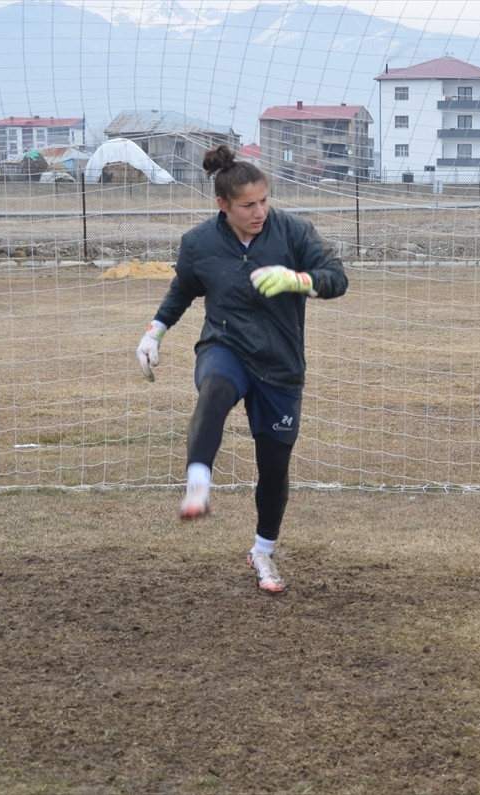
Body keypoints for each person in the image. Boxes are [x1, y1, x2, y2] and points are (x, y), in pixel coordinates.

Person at [136, 144, 348, 593]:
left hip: (281, 364)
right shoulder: (199, 244)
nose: (259, 212)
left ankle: (263, 554)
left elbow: (337, 277)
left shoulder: (291, 231)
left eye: (264, 201)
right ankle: (198, 483)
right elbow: (182, 290)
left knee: (274, 467)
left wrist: (299, 280)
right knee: (214, 386)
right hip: (225, 346)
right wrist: (154, 332)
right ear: (223, 205)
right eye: (248, 205)